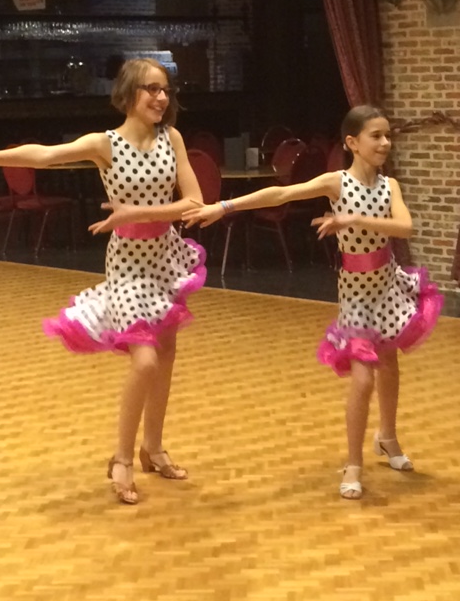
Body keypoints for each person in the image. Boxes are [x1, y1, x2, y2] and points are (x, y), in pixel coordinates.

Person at [181, 105, 444, 500]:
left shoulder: (390, 186)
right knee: (363, 379)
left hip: (389, 286)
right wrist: (224, 206)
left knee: (390, 363)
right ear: (352, 142)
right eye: (376, 136)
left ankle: (387, 437)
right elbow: (282, 192)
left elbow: (404, 227)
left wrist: (353, 220)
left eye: (388, 135)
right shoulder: (337, 182)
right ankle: (353, 463)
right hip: (356, 295)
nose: (385, 143)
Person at [0, 58, 206, 505]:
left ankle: (153, 447)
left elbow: (195, 203)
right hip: (127, 266)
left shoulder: (172, 138)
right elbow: (44, 155)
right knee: (144, 361)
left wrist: (136, 212)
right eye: (151, 89)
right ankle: (121, 458)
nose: (161, 97)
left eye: (165, 89)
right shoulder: (106, 143)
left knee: (166, 356)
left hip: (166, 258)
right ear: (128, 93)